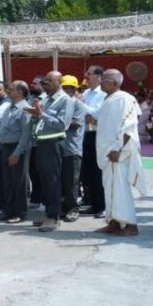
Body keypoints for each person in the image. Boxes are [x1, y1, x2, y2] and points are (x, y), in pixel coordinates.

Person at [95, 69, 146, 236]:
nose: (101, 81)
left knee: (120, 189)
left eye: (105, 79)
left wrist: (118, 149)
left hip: (118, 153)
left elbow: (129, 126)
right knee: (110, 189)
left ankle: (131, 225)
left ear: (115, 83)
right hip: (107, 153)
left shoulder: (125, 98)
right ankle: (114, 222)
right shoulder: (108, 99)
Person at [25, 71, 74, 233]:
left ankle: (53, 217)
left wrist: (41, 114)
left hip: (54, 144)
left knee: (52, 181)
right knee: (43, 180)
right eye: (44, 80)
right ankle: (48, 213)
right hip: (41, 143)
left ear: (59, 82)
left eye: (49, 81)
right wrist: (33, 115)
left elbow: (61, 125)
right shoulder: (45, 98)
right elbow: (39, 119)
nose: (45, 83)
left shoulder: (65, 100)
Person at [0, 81, 32, 223]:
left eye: (12, 88)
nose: (9, 90)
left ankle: (20, 212)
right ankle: (9, 210)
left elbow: (26, 134)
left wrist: (17, 153)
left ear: (20, 92)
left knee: (19, 182)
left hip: (16, 148)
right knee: (7, 181)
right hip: (5, 147)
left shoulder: (25, 108)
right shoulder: (9, 107)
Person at [79, 65, 107, 219]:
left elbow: (96, 113)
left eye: (89, 73)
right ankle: (93, 203)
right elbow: (86, 113)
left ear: (98, 76)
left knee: (98, 172)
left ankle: (102, 205)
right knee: (87, 172)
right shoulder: (85, 93)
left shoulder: (103, 94)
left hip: (98, 134)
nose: (86, 76)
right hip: (85, 133)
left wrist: (80, 104)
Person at [61, 75, 85, 223]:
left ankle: (73, 209)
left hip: (72, 149)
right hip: (57, 148)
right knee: (59, 182)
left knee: (71, 182)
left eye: (68, 88)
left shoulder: (78, 105)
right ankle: (61, 208)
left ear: (74, 89)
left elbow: (75, 124)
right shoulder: (59, 103)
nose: (65, 91)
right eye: (63, 88)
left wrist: (56, 122)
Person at [27, 76, 48, 208]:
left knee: (42, 171)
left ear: (42, 84)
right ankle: (36, 196)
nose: (31, 85)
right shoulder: (29, 99)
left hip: (42, 141)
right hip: (31, 141)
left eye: (35, 83)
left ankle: (43, 199)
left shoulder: (45, 99)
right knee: (33, 170)